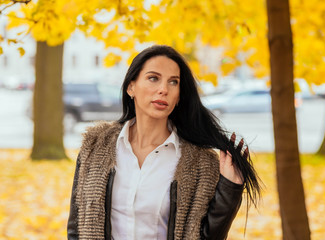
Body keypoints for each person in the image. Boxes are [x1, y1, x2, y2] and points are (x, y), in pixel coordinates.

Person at [67, 45, 261, 240]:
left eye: (173, 82)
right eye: (153, 78)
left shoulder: (200, 164)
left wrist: (231, 187)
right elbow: (76, 229)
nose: (163, 90)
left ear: (179, 96)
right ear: (130, 87)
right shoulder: (95, 146)